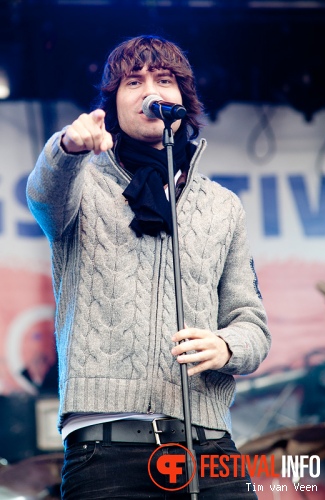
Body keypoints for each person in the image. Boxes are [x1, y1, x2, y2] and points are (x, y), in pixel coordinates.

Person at [26, 35, 271, 499]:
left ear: (183, 100)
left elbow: (253, 326)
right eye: (132, 82)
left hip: (209, 449)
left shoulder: (222, 206)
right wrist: (68, 148)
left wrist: (225, 345)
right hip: (108, 454)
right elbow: (43, 195)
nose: (150, 91)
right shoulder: (84, 183)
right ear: (113, 103)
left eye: (164, 80)